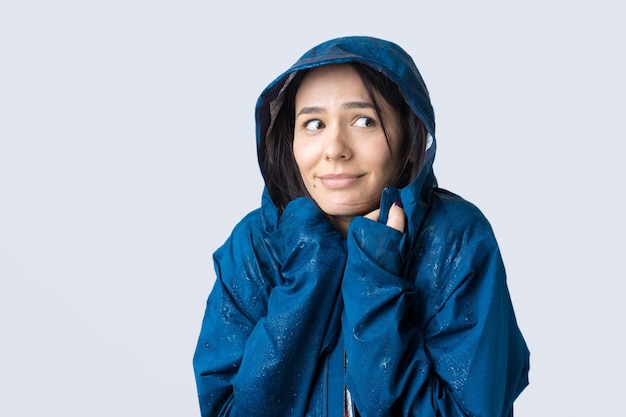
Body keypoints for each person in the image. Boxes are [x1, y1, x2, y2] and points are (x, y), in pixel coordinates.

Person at [192, 36, 530, 417]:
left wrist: (374, 280)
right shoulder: (254, 245)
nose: (335, 147)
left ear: (409, 135)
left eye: (364, 121)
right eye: (314, 123)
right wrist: (310, 269)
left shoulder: (455, 241)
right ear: (290, 141)